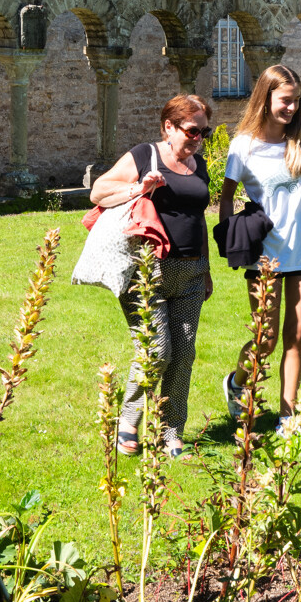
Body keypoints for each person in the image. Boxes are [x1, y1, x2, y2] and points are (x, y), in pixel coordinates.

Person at [89, 93, 215, 457]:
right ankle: (129, 421)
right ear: (169, 127)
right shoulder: (144, 156)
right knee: (157, 350)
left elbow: (198, 218)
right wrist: (139, 188)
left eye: (204, 132)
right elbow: (98, 191)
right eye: (192, 131)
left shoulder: (199, 165)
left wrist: (205, 270)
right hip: (147, 270)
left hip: (191, 272)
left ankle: (170, 432)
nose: (198, 139)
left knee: (185, 353)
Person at [217, 63, 301, 435]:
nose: (292, 108)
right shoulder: (244, 146)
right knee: (265, 340)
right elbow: (225, 201)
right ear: (266, 99)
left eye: (297, 101)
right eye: (286, 100)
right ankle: (236, 383)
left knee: (295, 337)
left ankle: (287, 416)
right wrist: (231, 237)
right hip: (264, 255)